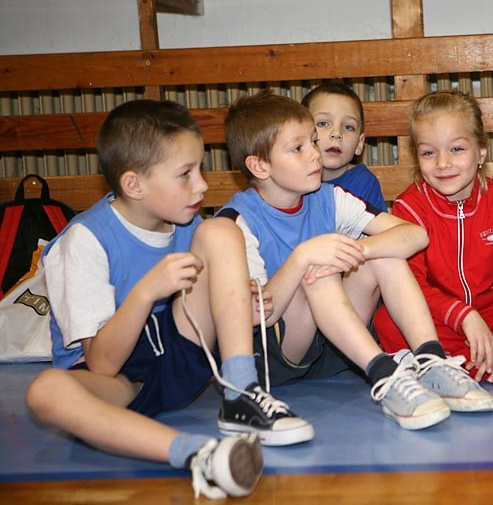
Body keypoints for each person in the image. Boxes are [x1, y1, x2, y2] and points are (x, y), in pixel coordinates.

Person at [25, 100, 313, 500]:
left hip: (180, 355)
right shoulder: (84, 242)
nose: (202, 185)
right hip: (118, 381)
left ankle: (241, 394)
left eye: (200, 169)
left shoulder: (190, 223)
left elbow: (218, 302)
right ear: (134, 185)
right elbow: (104, 365)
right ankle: (199, 454)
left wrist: (240, 293)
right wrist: (147, 291)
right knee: (45, 391)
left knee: (221, 231)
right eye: (185, 174)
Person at [219, 90, 493, 431]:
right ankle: (386, 376)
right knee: (317, 270)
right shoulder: (238, 221)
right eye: (298, 148)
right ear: (259, 165)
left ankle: (431, 361)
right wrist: (302, 258)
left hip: (335, 351)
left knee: (384, 253)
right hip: (276, 358)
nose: (315, 153)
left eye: (313, 142)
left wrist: (360, 251)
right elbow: (254, 316)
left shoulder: (329, 197)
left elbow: (415, 235)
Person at [372, 90, 493, 384]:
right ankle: (492, 364)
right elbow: (411, 284)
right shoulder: (410, 207)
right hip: (437, 318)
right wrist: (464, 316)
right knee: (388, 321)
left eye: (456, 149)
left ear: (481, 152)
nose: (442, 163)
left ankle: (450, 366)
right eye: (428, 153)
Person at [301, 82, 387, 211]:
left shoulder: (363, 183)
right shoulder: (290, 179)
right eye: (323, 123)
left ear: (359, 144)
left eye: (348, 127)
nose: (337, 133)